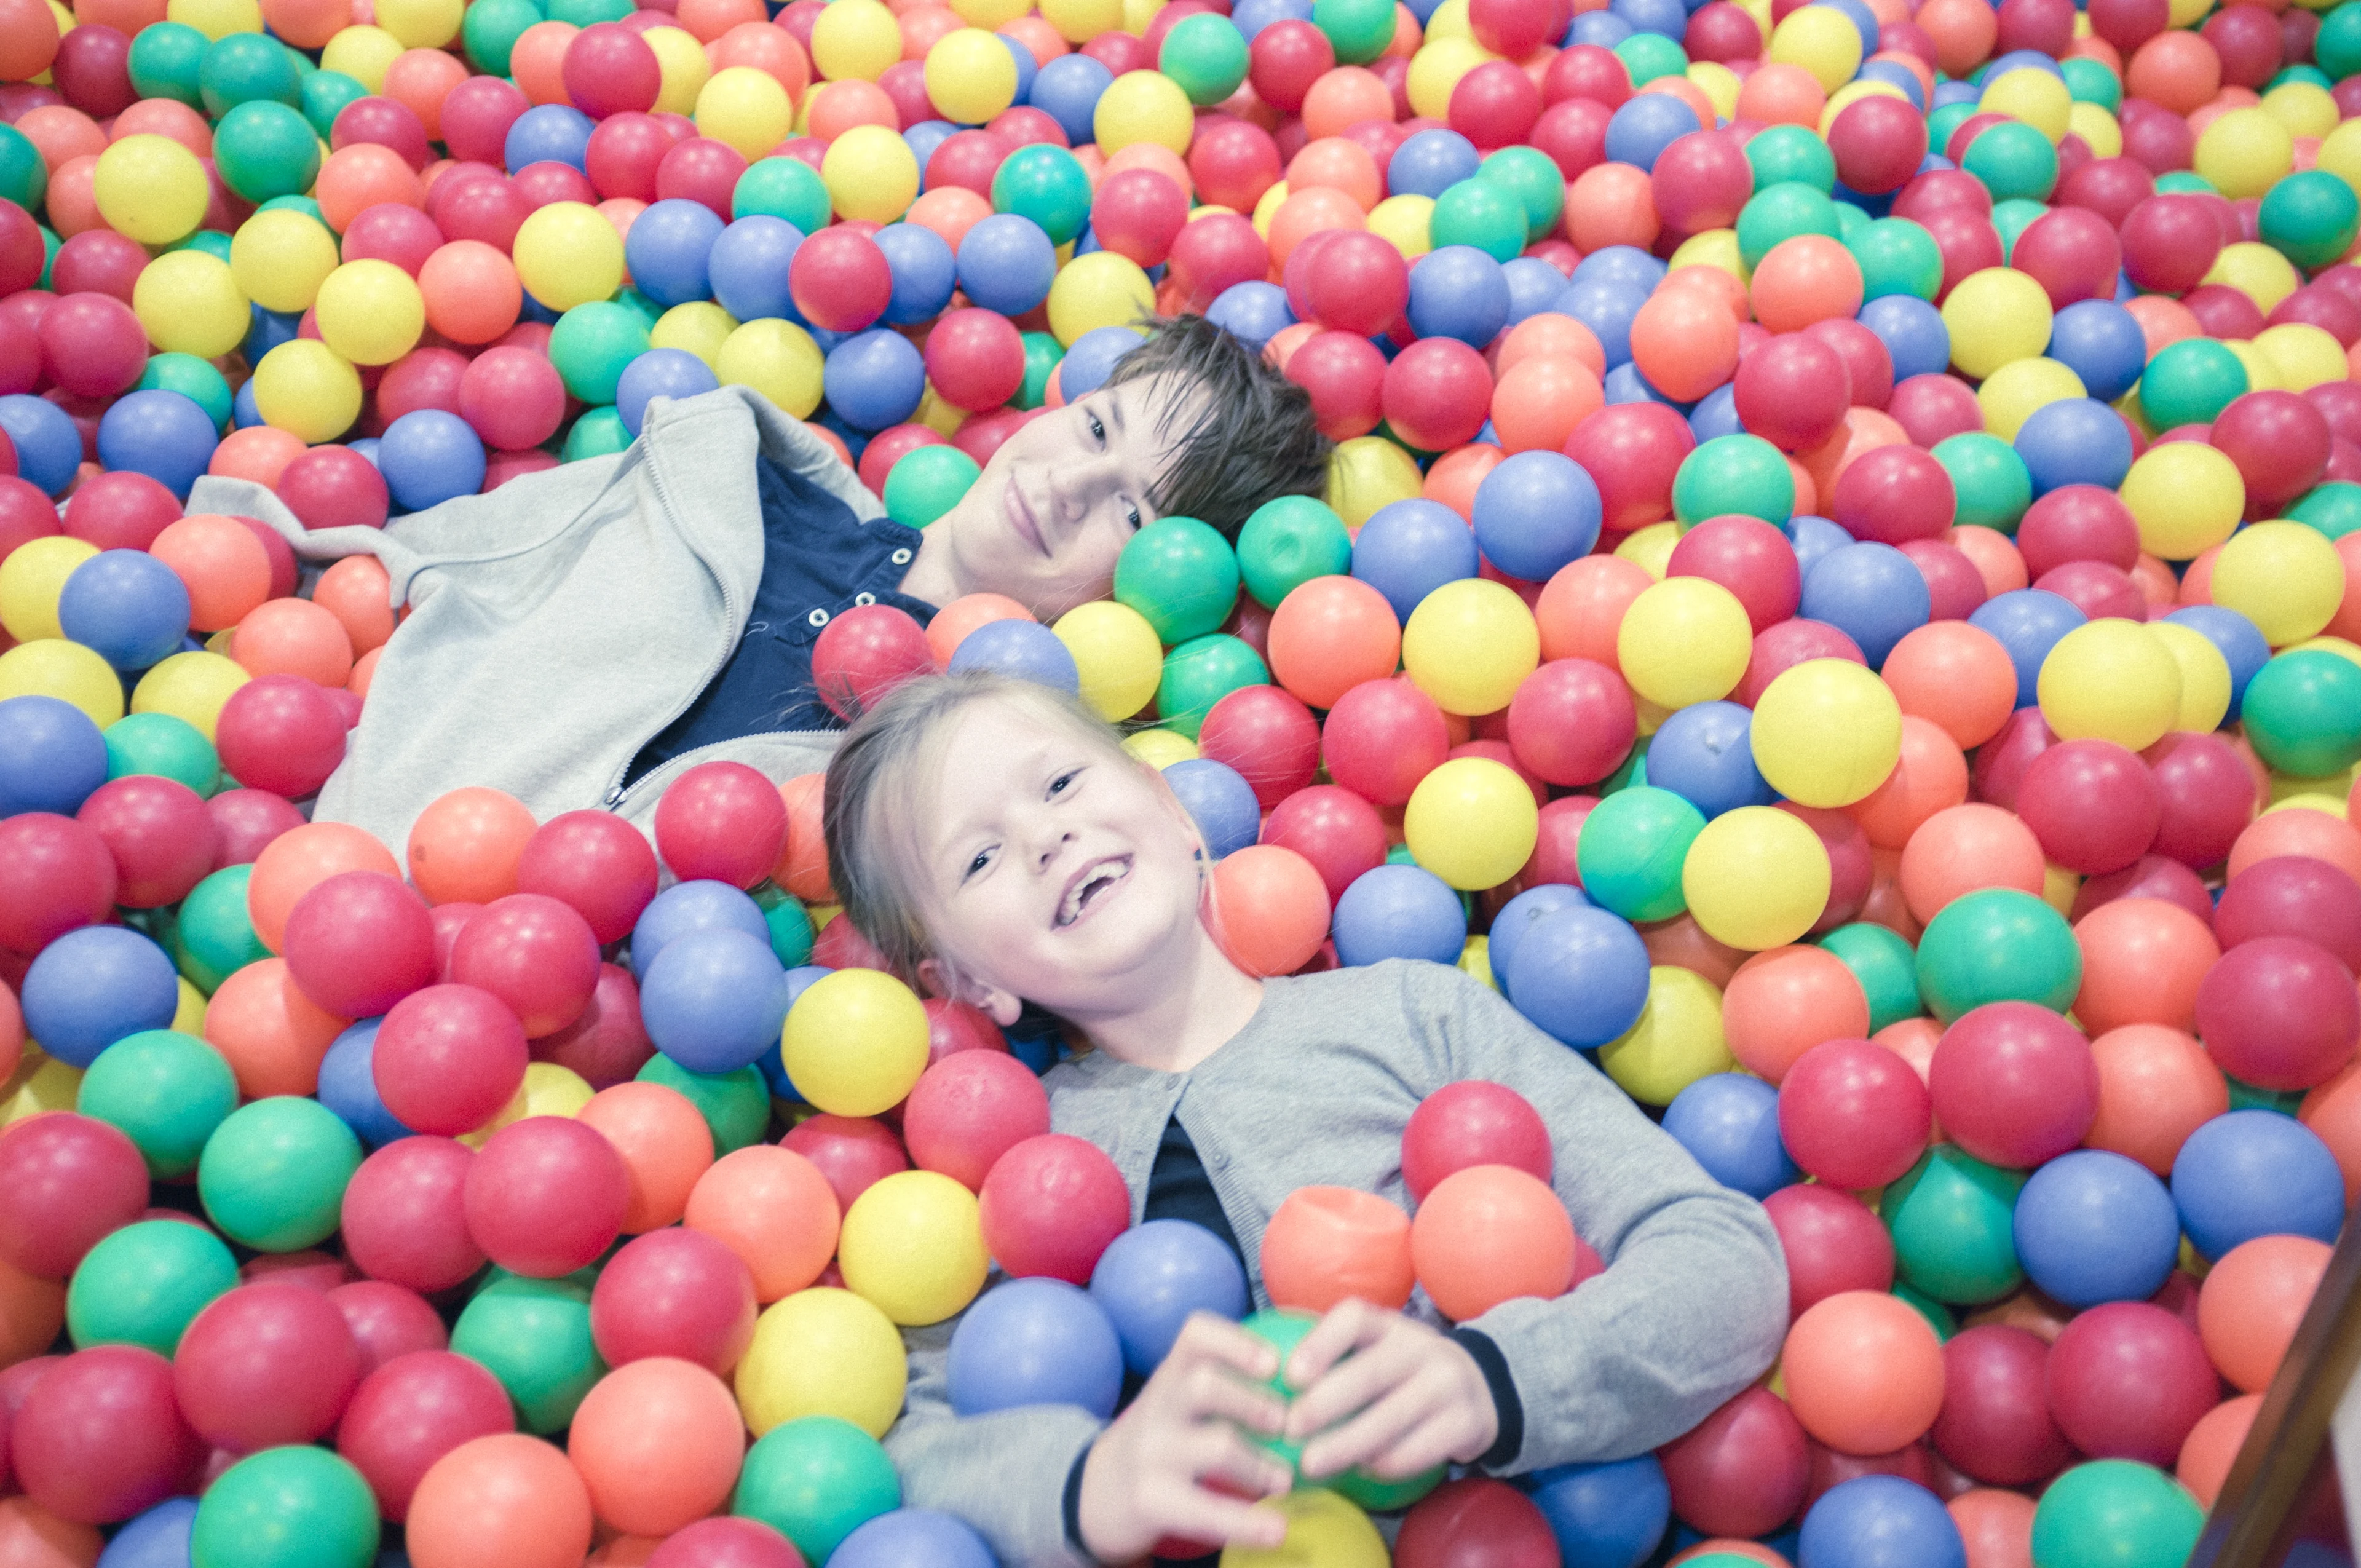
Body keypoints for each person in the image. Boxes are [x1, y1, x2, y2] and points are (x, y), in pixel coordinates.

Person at [821, 670, 1790, 1567]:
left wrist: (1491, 1381)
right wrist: (1086, 1484)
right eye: (980, 857)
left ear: (1171, 810)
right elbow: (910, 1450)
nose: (1045, 838)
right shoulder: (1002, 1166)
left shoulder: (1411, 1012)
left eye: (1063, 783)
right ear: (968, 982)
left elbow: (1723, 1258)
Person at [183, 315, 1327, 855]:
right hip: (306, 832)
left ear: (1165, 585)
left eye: (1132, 507)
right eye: (1093, 426)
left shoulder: (991, 763)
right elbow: (464, 553)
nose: (1068, 481)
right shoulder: (756, 491)